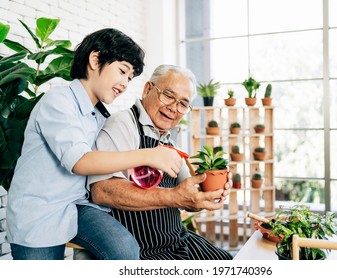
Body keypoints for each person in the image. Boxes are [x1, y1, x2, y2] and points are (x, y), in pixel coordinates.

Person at [6, 29, 184, 260]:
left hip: (77, 206)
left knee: (125, 249)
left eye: (130, 78)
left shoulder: (99, 114)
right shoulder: (58, 101)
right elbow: (81, 161)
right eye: (122, 71)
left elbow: (107, 161)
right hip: (40, 213)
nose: (125, 83)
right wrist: (148, 155)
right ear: (95, 59)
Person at [89, 64, 233, 260]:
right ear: (148, 89)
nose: (174, 108)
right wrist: (173, 196)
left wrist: (209, 191)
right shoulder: (123, 124)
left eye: (183, 103)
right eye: (168, 95)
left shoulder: (168, 140)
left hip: (179, 242)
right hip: (144, 251)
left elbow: (190, 198)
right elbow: (102, 191)